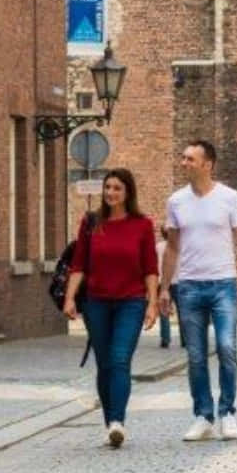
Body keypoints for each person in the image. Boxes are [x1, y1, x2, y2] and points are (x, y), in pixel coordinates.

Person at [160, 139, 237, 442]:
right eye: (183, 158)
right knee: (195, 355)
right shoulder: (176, 201)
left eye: (190, 159)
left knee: (227, 348)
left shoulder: (230, 198)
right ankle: (203, 416)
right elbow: (173, 248)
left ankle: (227, 412)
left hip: (223, 285)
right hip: (189, 285)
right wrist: (165, 289)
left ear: (208, 164)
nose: (184, 163)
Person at [63, 168, 158, 449]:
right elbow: (78, 263)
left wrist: (152, 303)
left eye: (117, 188)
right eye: (108, 187)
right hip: (97, 302)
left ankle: (117, 421)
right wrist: (70, 298)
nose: (111, 193)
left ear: (128, 192)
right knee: (104, 364)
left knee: (119, 360)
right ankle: (109, 424)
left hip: (131, 301)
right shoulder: (91, 223)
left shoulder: (142, 225)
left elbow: (150, 268)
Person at [154, 229, 174, 348]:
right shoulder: (179, 246)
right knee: (183, 311)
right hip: (178, 280)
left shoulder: (158, 247)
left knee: (163, 310)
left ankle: (165, 339)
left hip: (162, 281)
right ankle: (185, 339)